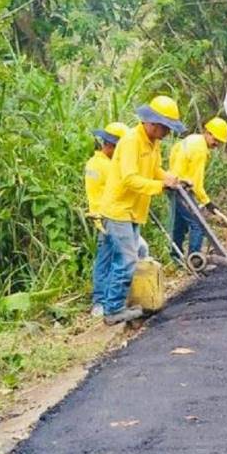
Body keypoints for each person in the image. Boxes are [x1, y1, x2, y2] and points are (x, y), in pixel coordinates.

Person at [98, 96, 184, 325]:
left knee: (125, 259)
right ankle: (113, 310)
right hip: (118, 209)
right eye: (166, 127)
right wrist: (160, 186)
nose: (167, 132)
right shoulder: (130, 142)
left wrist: (173, 179)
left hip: (134, 210)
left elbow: (155, 170)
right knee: (126, 260)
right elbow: (129, 179)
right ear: (152, 123)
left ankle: (115, 303)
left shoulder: (153, 143)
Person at [168, 117, 227, 261]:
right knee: (199, 224)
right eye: (215, 140)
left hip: (173, 185)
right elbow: (197, 183)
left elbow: (174, 153)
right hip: (181, 189)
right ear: (207, 133)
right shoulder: (200, 150)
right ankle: (194, 260)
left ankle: (176, 258)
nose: (216, 144)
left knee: (179, 225)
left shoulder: (192, 139)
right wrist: (207, 203)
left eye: (219, 142)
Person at [85, 122, 128, 318]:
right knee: (109, 259)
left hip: (104, 216)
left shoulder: (96, 163)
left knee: (111, 258)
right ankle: (101, 302)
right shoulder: (105, 166)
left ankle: (107, 299)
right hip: (108, 217)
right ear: (111, 145)